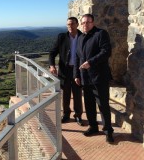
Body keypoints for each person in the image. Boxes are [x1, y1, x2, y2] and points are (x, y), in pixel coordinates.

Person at [74, 13, 114, 143]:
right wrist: (76, 74)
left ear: (93, 23)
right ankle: (93, 126)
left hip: (99, 77)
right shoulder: (80, 38)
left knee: (103, 105)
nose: (85, 24)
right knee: (89, 104)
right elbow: (77, 58)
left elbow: (106, 52)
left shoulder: (101, 34)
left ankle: (108, 131)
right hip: (85, 77)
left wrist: (90, 62)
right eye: (83, 22)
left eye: (88, 22)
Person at [49, 17, 83, 125]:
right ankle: (66, 114)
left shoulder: (83, 37)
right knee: (66, 94)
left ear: (77, 24)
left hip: (78, 70)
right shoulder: (62, 37)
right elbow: (52, 52)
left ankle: (78, 116)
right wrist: (52, 66)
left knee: (77, 94)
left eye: (72, 24)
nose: (70, 26)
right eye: (68, 24)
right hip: (65, 70)